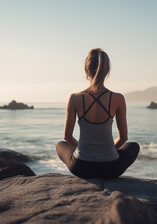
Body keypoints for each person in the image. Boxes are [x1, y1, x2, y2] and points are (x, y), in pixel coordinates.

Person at [56, 48, 140, 179]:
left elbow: (67, 136)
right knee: (133, 146)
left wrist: (86, 151)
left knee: (60, 145)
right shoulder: (118, 98)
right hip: (111, 168)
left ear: (86, 70)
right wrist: (106, 152)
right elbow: (123, 138)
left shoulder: (74, 98)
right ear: (106, 71)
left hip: (81, 168)